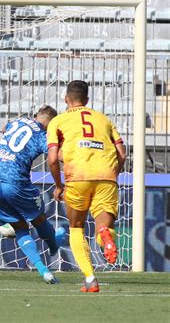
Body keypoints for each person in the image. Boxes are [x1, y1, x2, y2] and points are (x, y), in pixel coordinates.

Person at [47, 80, 127, 292]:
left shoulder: (58, 121)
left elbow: (53, 159)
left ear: (66, 99)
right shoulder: (104, 119)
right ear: (87, 100)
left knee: (76, 228)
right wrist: (112, 174)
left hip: (78, 177)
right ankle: (105, 236)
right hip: (106, 176)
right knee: (104, 227)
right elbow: (122, 153)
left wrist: (58, 185)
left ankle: (91, 279)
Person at [0, 105, 66, 284]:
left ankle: (44, 271)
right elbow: (58, 157)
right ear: (51, 124)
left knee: (20, 227)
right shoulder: (42, 134)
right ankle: (53, 245)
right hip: (14, 182)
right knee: (38, 218)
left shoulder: (18, 122)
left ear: (37, 115)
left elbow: (5, 128)